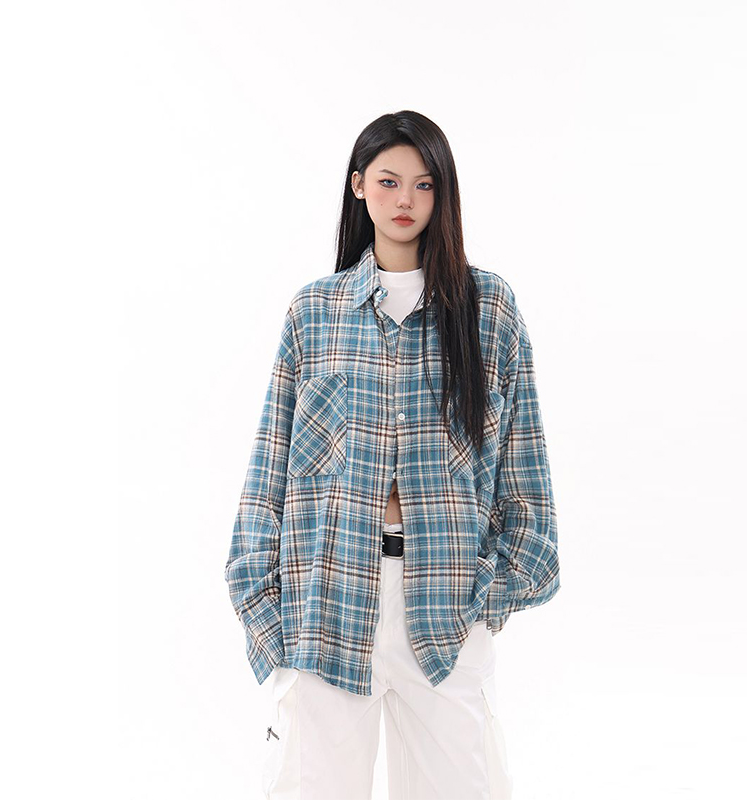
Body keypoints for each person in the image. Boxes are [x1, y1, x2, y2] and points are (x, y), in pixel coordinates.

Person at [224, 110, 561, 800]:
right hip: (323, 610)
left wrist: (484, 601)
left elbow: (527, 489)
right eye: (388, 181)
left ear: (443, 194)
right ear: (358, 186)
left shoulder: (489, 309)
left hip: (448, 615)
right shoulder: (314, 313)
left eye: (424, 184)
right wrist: (265, 614)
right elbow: (267, 476)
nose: (406, 199)